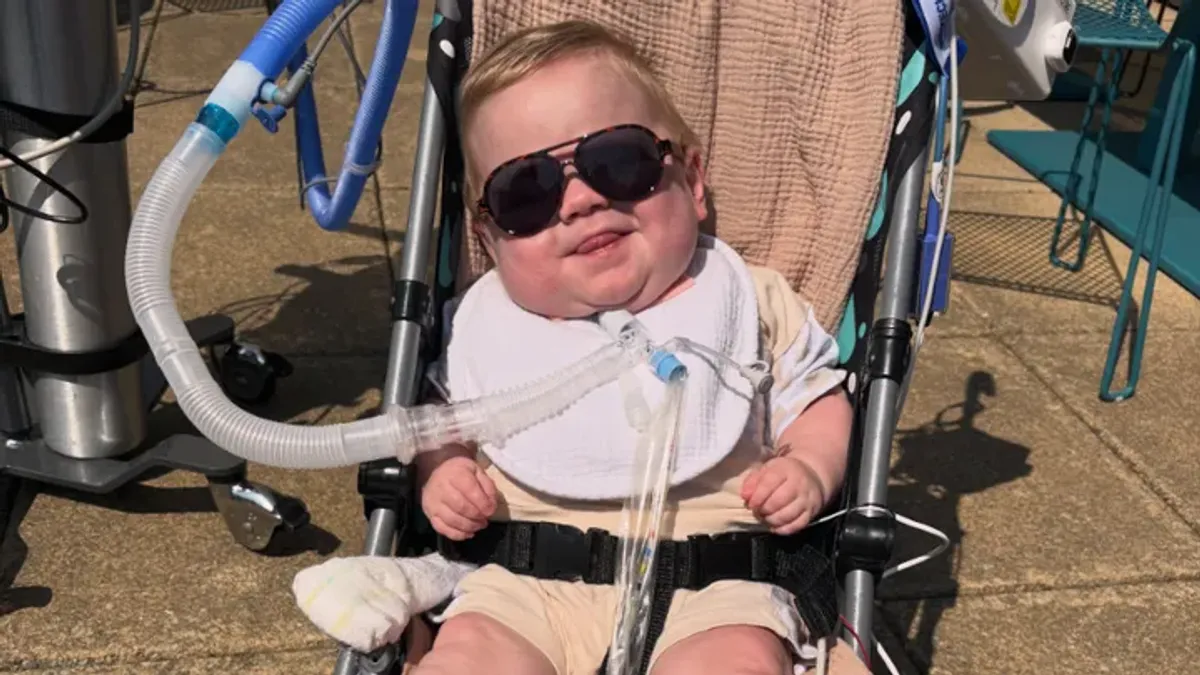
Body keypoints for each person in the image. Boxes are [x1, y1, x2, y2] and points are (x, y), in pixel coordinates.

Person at [406, 19, 861, 675]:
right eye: (526, 193)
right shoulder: (483, 326)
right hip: (523, 582)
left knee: (734, 661)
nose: (580, 201)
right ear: (489, 236)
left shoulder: (749, 300)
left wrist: (811, 466)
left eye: (619, 162)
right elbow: (438, 422)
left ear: (693, 180)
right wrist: (443, 472)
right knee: (471, 657)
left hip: (716, 585)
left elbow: (818, 399)